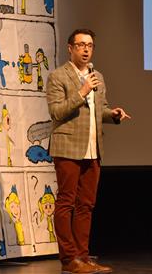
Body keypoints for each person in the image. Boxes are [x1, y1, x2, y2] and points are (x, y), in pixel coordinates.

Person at [46, 29, 131, 274]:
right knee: (66, 203)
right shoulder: (58, 76)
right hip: (68, 147)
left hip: (93, 148)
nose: (86, 49)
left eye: (90, 45)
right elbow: (56, 112)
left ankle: (83, 257)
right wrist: (81, 92)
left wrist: (112, 114)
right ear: (70, 48)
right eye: (81, 45)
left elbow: (100, 108)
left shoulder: (98, 77)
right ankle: (69, 259)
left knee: (86, 205)